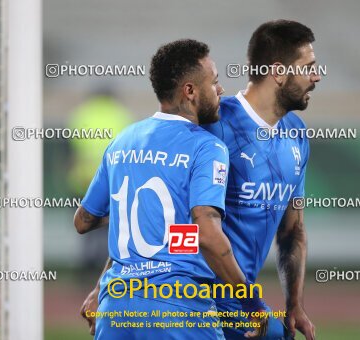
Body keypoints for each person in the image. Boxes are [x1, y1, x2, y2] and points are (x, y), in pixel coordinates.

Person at [74, 39, 268, 340]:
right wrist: (254, 306)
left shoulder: (123, 141)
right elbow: (208, 235)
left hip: (116, 305)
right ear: (190, 91)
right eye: (214, 82)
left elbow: (83, 221)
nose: (221, 91)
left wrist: (100, 287)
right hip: (176, 305)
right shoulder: (206, 147)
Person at [202, 20, 321, 340]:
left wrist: (294, 304)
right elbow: (165, 211)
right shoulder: (214, 124)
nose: (317, 76)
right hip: (194, 304)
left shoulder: (296, 135)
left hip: (244, 307)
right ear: (279, 72)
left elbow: (292, 230)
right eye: (309, 67)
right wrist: (111, 280)